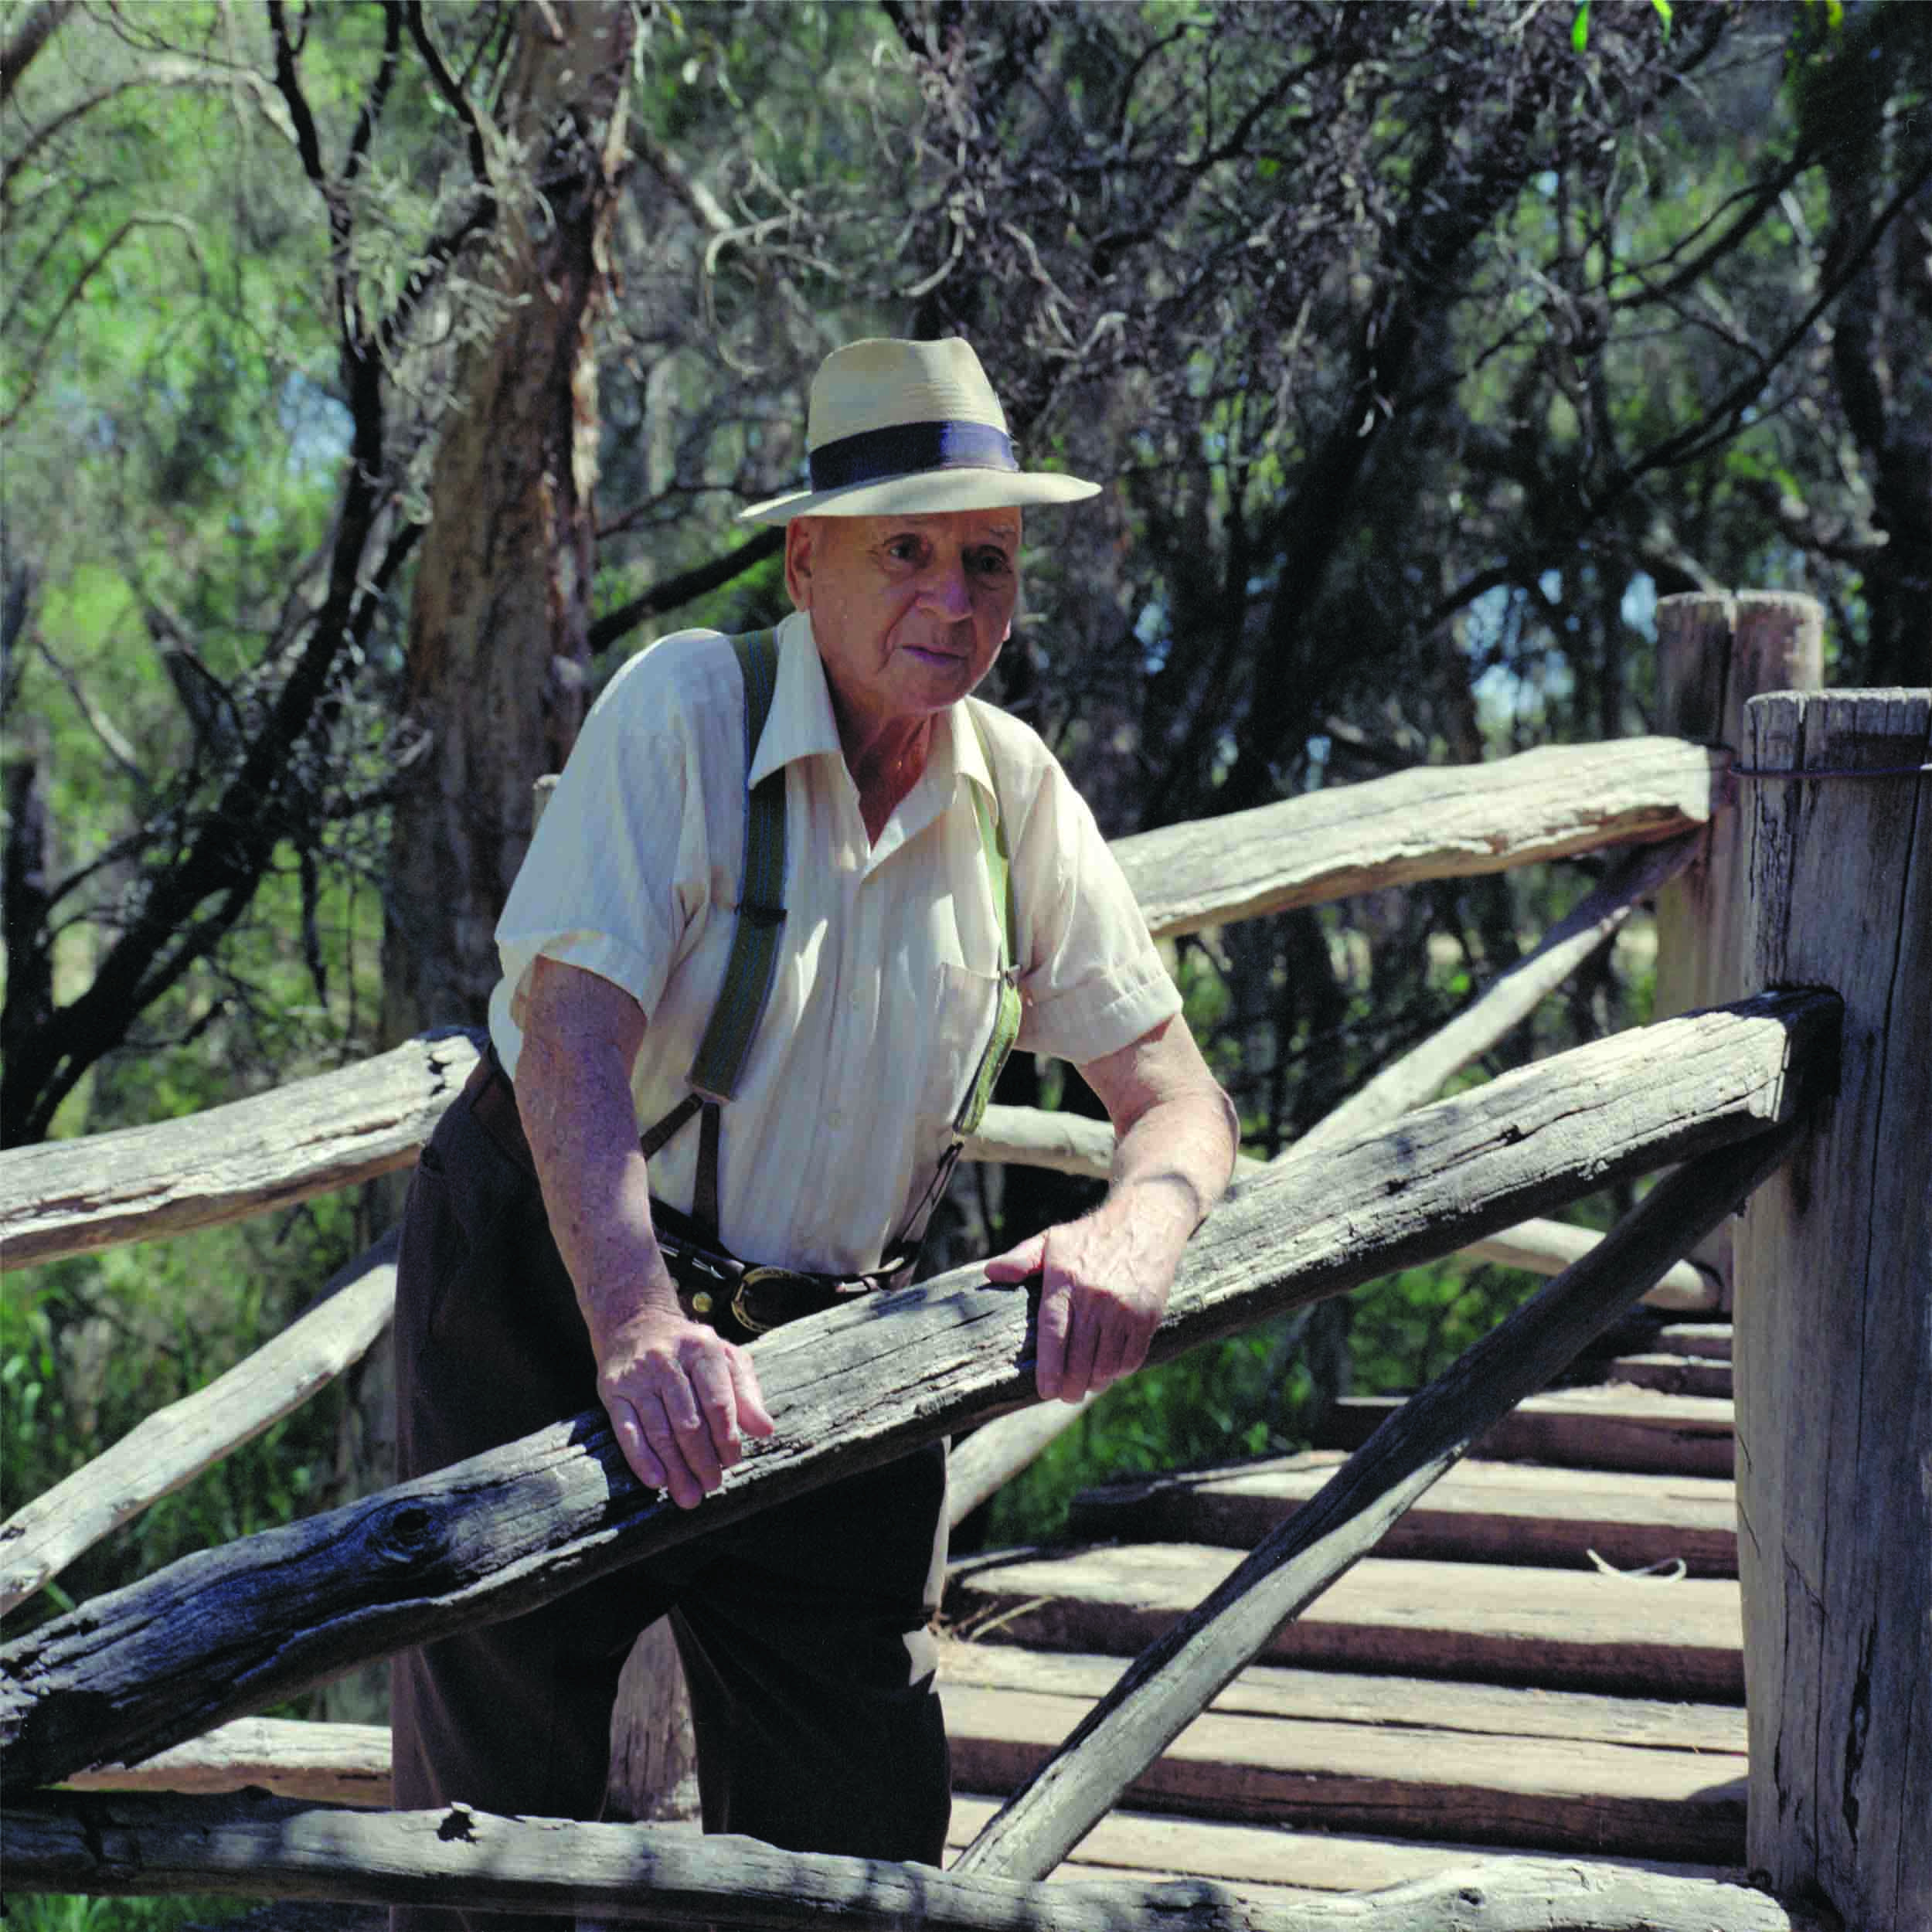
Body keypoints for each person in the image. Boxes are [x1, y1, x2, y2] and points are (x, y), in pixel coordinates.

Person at [389, 336, 1239, 1929]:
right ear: (803, 560)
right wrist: (632, 1319)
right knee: (485, 1840)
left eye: (984, 557)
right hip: (545, 1296)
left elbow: (1179, 1095)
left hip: (821, 1361)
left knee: (854, 1860)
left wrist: (1141, 1226)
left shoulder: (1012, 795)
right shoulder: (685, 714)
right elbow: (569, 1041)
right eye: (904, 548)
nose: (952, 595)